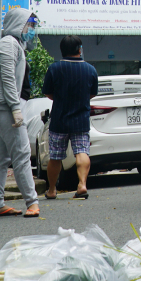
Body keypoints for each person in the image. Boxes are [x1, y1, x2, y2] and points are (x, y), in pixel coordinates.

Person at [0, 7, 41, 218]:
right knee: (22, 152)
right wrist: (16, 108)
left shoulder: (15, 44)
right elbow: (8, 79)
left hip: (3, 106)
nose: (32, 30)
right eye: (30, 25)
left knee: (2, 157)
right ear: (19, 24)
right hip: (4, 107)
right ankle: (32, 201)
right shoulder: (8, 44)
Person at [43, 35, 98, 200]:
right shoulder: (90, 69)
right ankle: (82, 184)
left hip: (59, 119)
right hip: (81, 120)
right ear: (79, 49)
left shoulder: (54, 68)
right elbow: (92, 94)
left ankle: (52, 190)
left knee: (55, 156)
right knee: (82, 152)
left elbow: (48, 93)